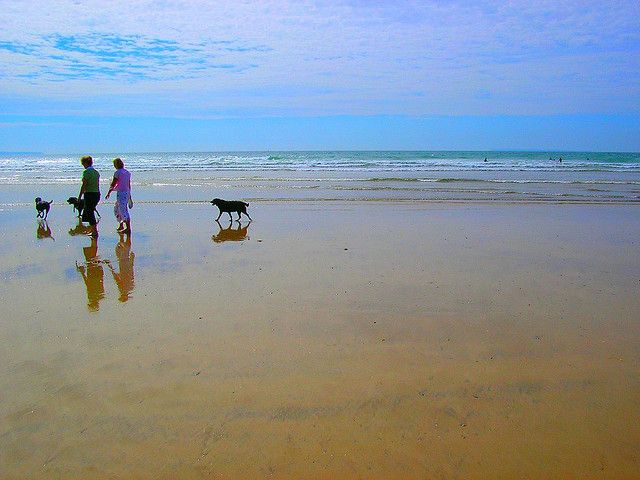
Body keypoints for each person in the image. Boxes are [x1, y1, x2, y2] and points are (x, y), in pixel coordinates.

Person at [105, 157, 132, 234]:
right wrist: (130, 195)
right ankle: (121, 225)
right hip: (126, 192)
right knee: (118, 208)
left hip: (121, 193)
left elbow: (113, 183)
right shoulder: (127, 172)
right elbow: (128, 184)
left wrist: (109, 192)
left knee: (123, 210)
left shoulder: (117, 173)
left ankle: (128, 228)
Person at [78, 155, 100, 238]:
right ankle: (92, 229)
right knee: (90, 211)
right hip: (97, 194)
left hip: (89, 194)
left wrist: (80, 196)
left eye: (83, 163)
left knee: (90, 213)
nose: (83, 165)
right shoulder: (96, 172)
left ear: (86, 163)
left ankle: (94, 231)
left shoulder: (86, 172)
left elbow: (84, 185)